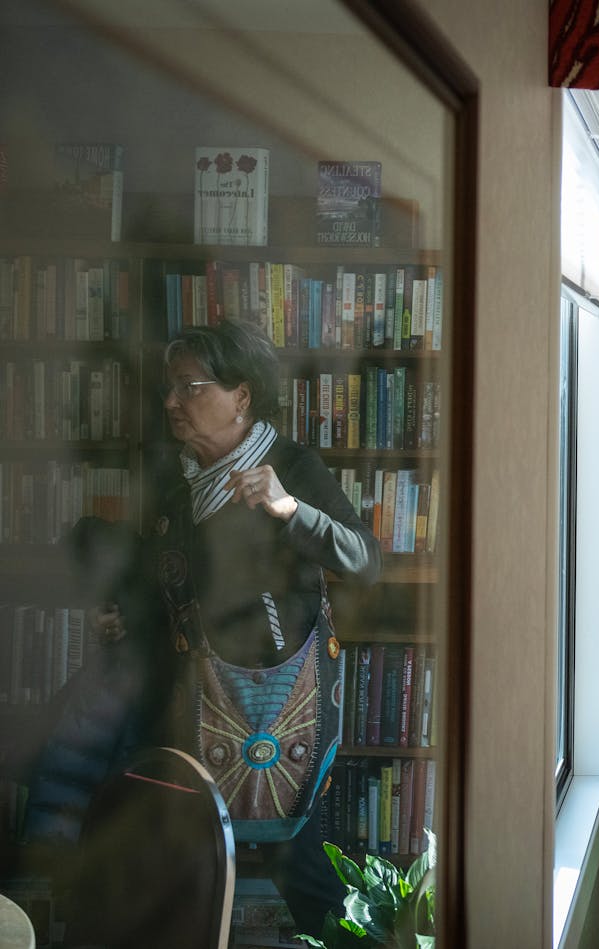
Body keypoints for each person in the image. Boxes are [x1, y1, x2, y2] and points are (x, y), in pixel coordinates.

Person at [87, 319, 382, 937]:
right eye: (170, 389)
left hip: (276, 710)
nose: (172, 402)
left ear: (241, 397)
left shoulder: (292, 467)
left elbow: (363, 559)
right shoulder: (178, 483)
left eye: (188, 387)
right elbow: (162, 579)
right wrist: (126, 614)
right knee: (172, 857)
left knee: (295, 861)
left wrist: (290, 510)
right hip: (191, 703)